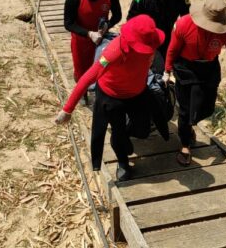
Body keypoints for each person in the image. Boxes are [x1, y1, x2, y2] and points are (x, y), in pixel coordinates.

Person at [55, 15, 170, 182]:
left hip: (138, 92)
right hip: (112, 96)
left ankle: (124, 136)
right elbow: (88, 77)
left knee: (143, 129)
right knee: (118, 132)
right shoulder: (113, 52)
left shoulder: (150, 44)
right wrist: (67, 110)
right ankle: (123, 162)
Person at [164, 0, 226, 167]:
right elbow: (172, 48)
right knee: (186, 110)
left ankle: (191, 124)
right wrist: (167, 69)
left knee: (206, 109)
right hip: (186, 68)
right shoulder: (184, 24)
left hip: (209, 69)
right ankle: (185, 146)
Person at [127, 0, 190, 73]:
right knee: (157, 69)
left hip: (167, 38)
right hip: (147, 39)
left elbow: (187, 18)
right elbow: (131, 19)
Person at [63, 0, 122, 82]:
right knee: (82, 73)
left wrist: (108, 25)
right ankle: (84, 96)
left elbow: (117, 15)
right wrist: (89, 34)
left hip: (102, 39)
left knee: (102, 69)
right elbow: (68, 24)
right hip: (81, 41)